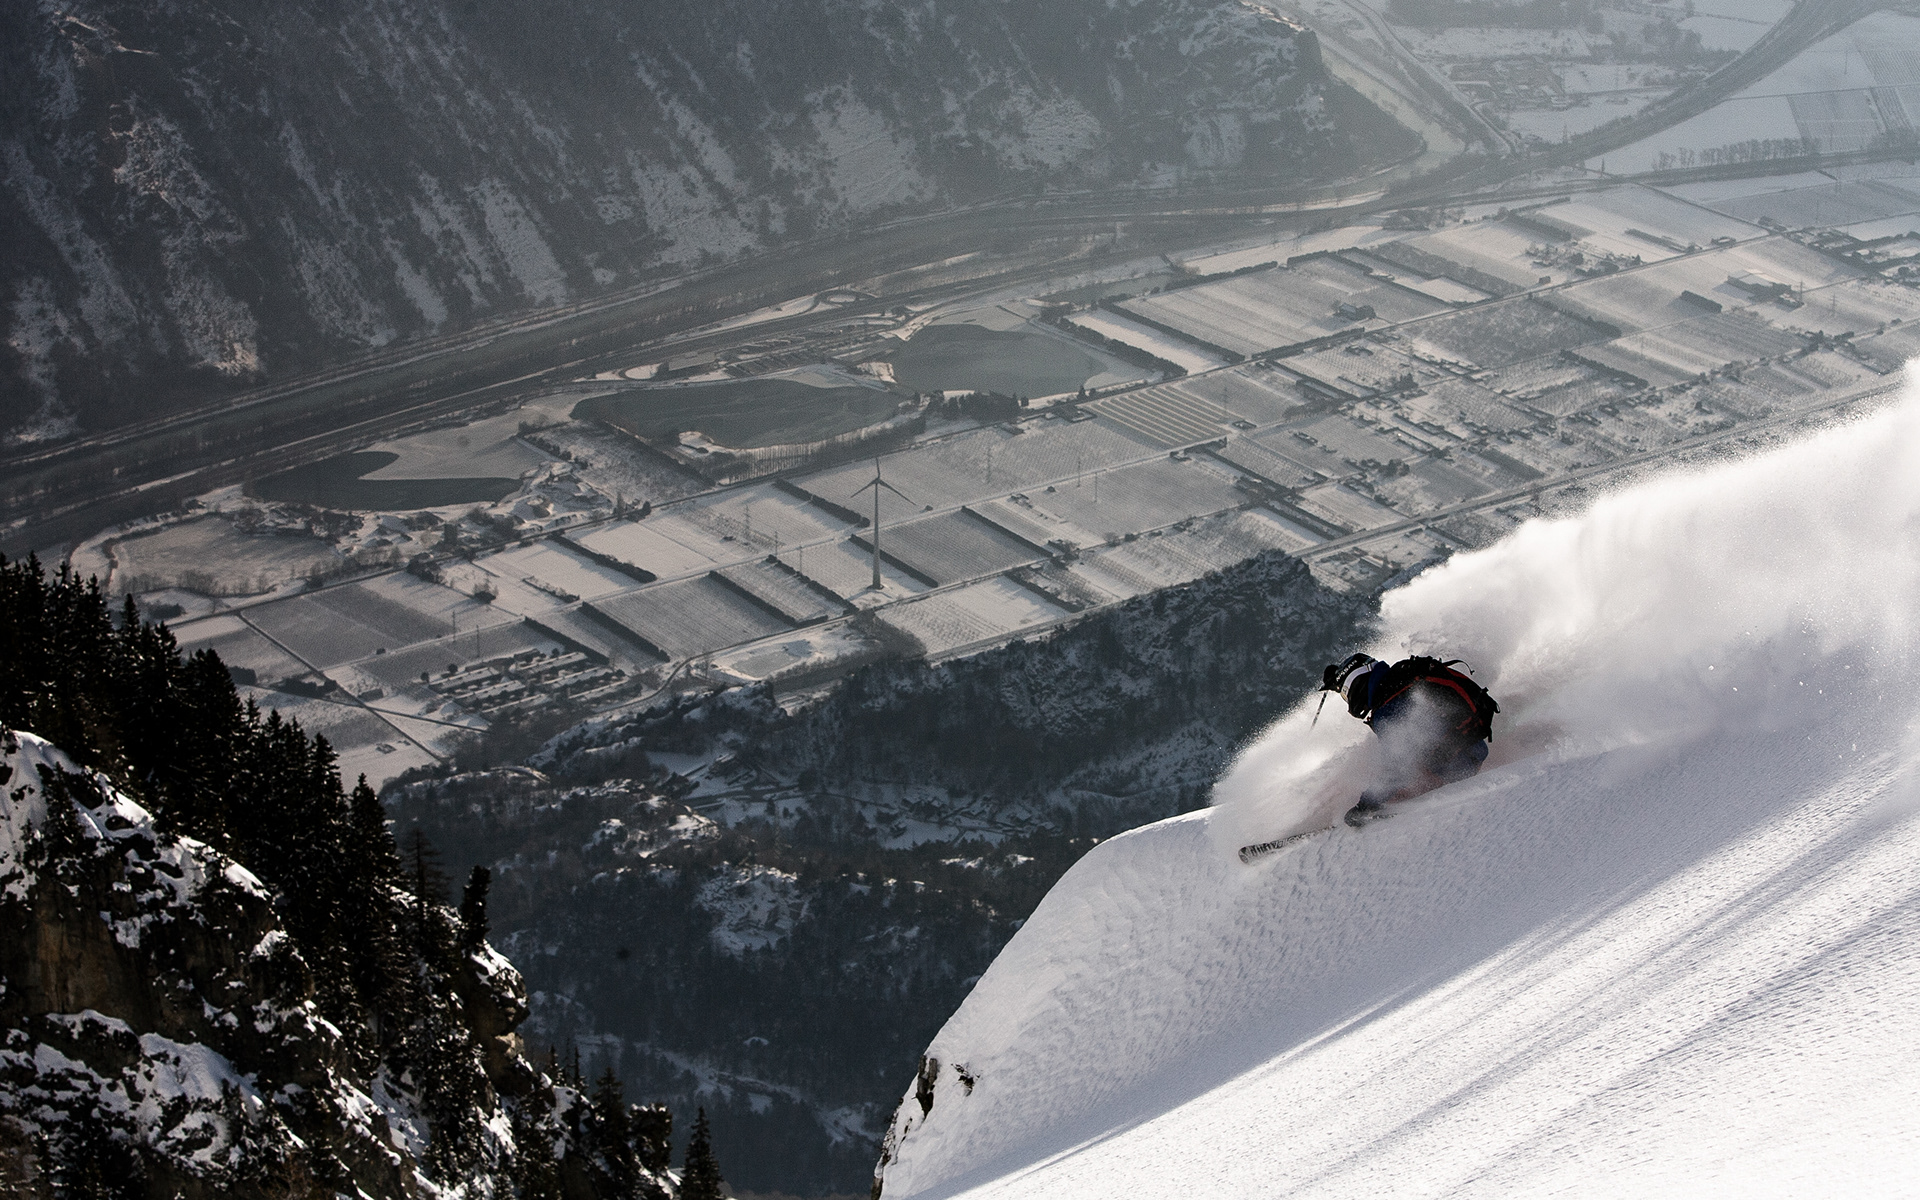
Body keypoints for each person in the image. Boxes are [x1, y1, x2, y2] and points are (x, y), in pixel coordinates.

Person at [1321, 653, 1499, 826]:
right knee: (1411, 770)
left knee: (1406, 780)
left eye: (1344, 694)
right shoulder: (1399, 681)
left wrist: (1366, 804)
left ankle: (1413, 800)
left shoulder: (1389, 708)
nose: (1347, 700)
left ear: (1355, 683)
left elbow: (1398, 766)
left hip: (1460, 763)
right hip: (1469, 747)